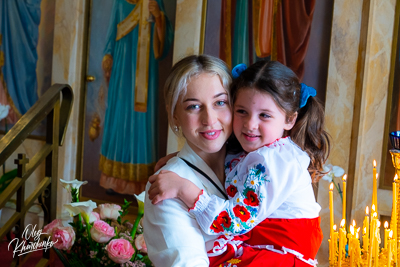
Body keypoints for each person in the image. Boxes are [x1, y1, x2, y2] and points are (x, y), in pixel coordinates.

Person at [148, 60, 331, 266]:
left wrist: (184, 189)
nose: (250, 124)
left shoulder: (272, 160)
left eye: (220, 102)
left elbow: (236, 220)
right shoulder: (248, 151)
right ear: (174, 114)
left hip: (281, 255)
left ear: (289, 120)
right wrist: (179, 158)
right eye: (242, 111)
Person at [142, 54, 233, 267]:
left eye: (220, 102)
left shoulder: (252, 163)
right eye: (193, 106)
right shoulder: (166, 187)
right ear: (174, 115)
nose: (209, 119)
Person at [99, 0, 173, 195]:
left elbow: (164, 45)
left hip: (144, 78)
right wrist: (108, 56)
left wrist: (158, 16)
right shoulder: (119, 3)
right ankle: (113, 180)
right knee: (119, 119)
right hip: (121, 74)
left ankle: (140, 184)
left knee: (140, 123)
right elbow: (110, 35)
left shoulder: (153, 2)